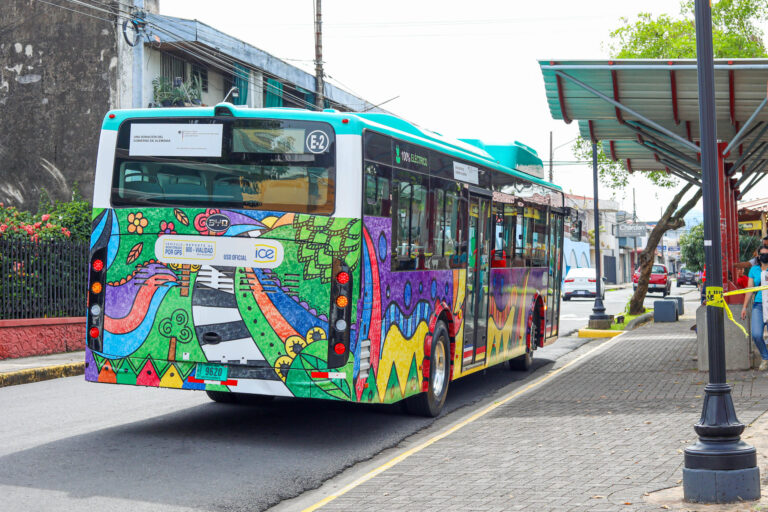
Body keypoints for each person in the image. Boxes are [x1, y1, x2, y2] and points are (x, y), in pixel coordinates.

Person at [740, 245, 768, 370]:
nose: (764, 256)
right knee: (756, 334)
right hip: (758, 305)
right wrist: (744, 307)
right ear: (758, 256)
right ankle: (765, 357)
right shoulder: (754, 270)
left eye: (766, 253)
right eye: (762, 254)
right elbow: (749, 290)